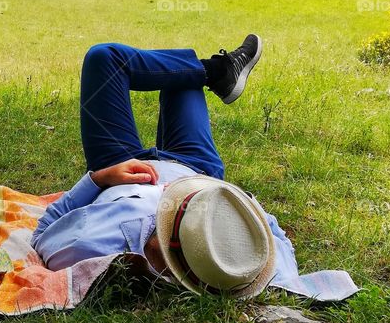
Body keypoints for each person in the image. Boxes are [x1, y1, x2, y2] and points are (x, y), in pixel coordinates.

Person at [31, 36, 358, 301]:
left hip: (120, 167)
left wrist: (98, 179)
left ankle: (216, 71)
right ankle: (218, 72)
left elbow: (44, 232)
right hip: (197, 170)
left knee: (104, 59)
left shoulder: (97, 243)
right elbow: (273, 232)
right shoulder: (246, 261)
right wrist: (235, 201)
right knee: (182, 81)